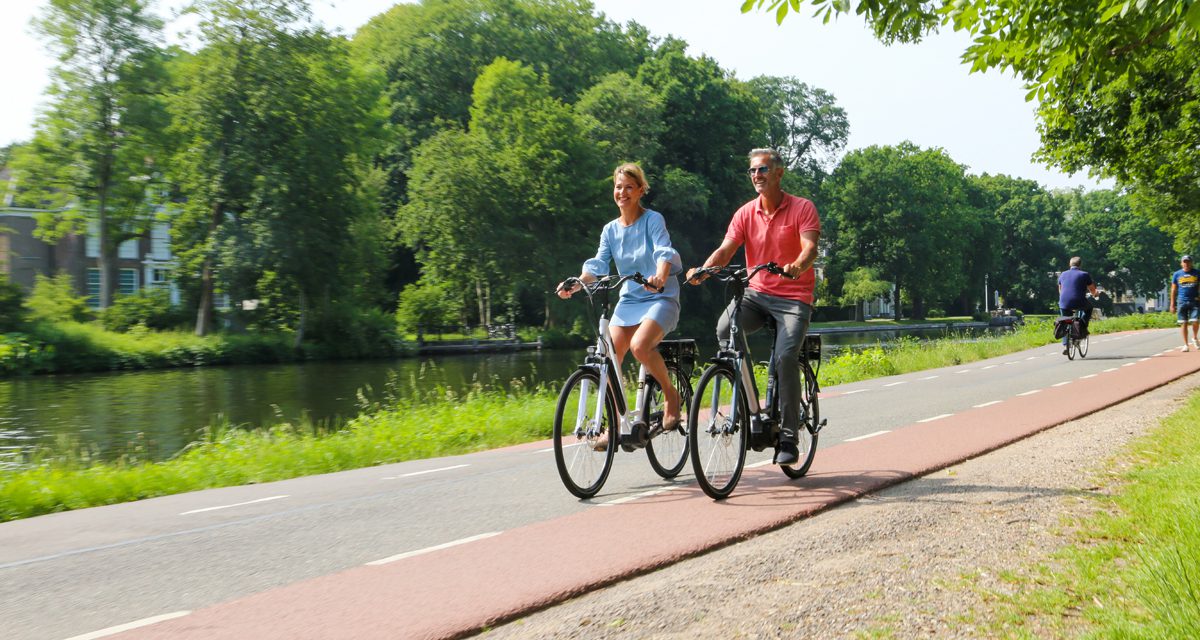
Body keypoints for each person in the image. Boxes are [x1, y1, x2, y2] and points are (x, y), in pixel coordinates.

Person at [687, 148, 821, 466]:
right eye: (751, 171)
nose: (756, 176)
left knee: (787, 356)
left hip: (793, 298)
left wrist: (797, 266)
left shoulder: (802, 208)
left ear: (778, 173)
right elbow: (725, 250)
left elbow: (810, 248)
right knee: (725, 329)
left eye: (761, 170)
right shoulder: (745, 213)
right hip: (757, 295)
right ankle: (751, 405)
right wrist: (704, 270)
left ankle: (789, 436)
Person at [558, 163, 683, 450]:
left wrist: (661, 276)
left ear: (641, 190)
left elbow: (664, 251)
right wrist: (577, 282)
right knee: (608, 357)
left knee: (640, 347)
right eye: (618, 186)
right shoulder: (610, 230)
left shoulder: (653, 220)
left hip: (660, 296)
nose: (622, 192)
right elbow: (599, 264)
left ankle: (671, 396)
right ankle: (617, 422)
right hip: (629, 300)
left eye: (629, 186)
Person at [1057, 256, 1098, 355]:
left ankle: (1066, 344)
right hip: (1079, 301)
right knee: (1089, 308)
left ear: (1070, 264)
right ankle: (1083, 327)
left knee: (1064, 320)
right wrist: (1096, 294)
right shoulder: (1084, 274)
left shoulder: (1062, 274)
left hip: (1064, 302)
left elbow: (1060, 290)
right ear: (1080, 265)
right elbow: (1092, 290)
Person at [1169, 254, 1200, 352]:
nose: (1186, 264)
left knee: (1195, 320)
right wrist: (1172, 304)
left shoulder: (1197, 273)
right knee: (1184, 323)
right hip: (1182, 301)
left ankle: (1195, 337)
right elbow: (1173, 290)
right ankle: (1186, 344)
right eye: (1184, 262)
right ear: (1181, 263)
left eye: (1188, 262)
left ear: (1191, 263)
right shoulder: (1177, 274)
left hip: (1194, 300)